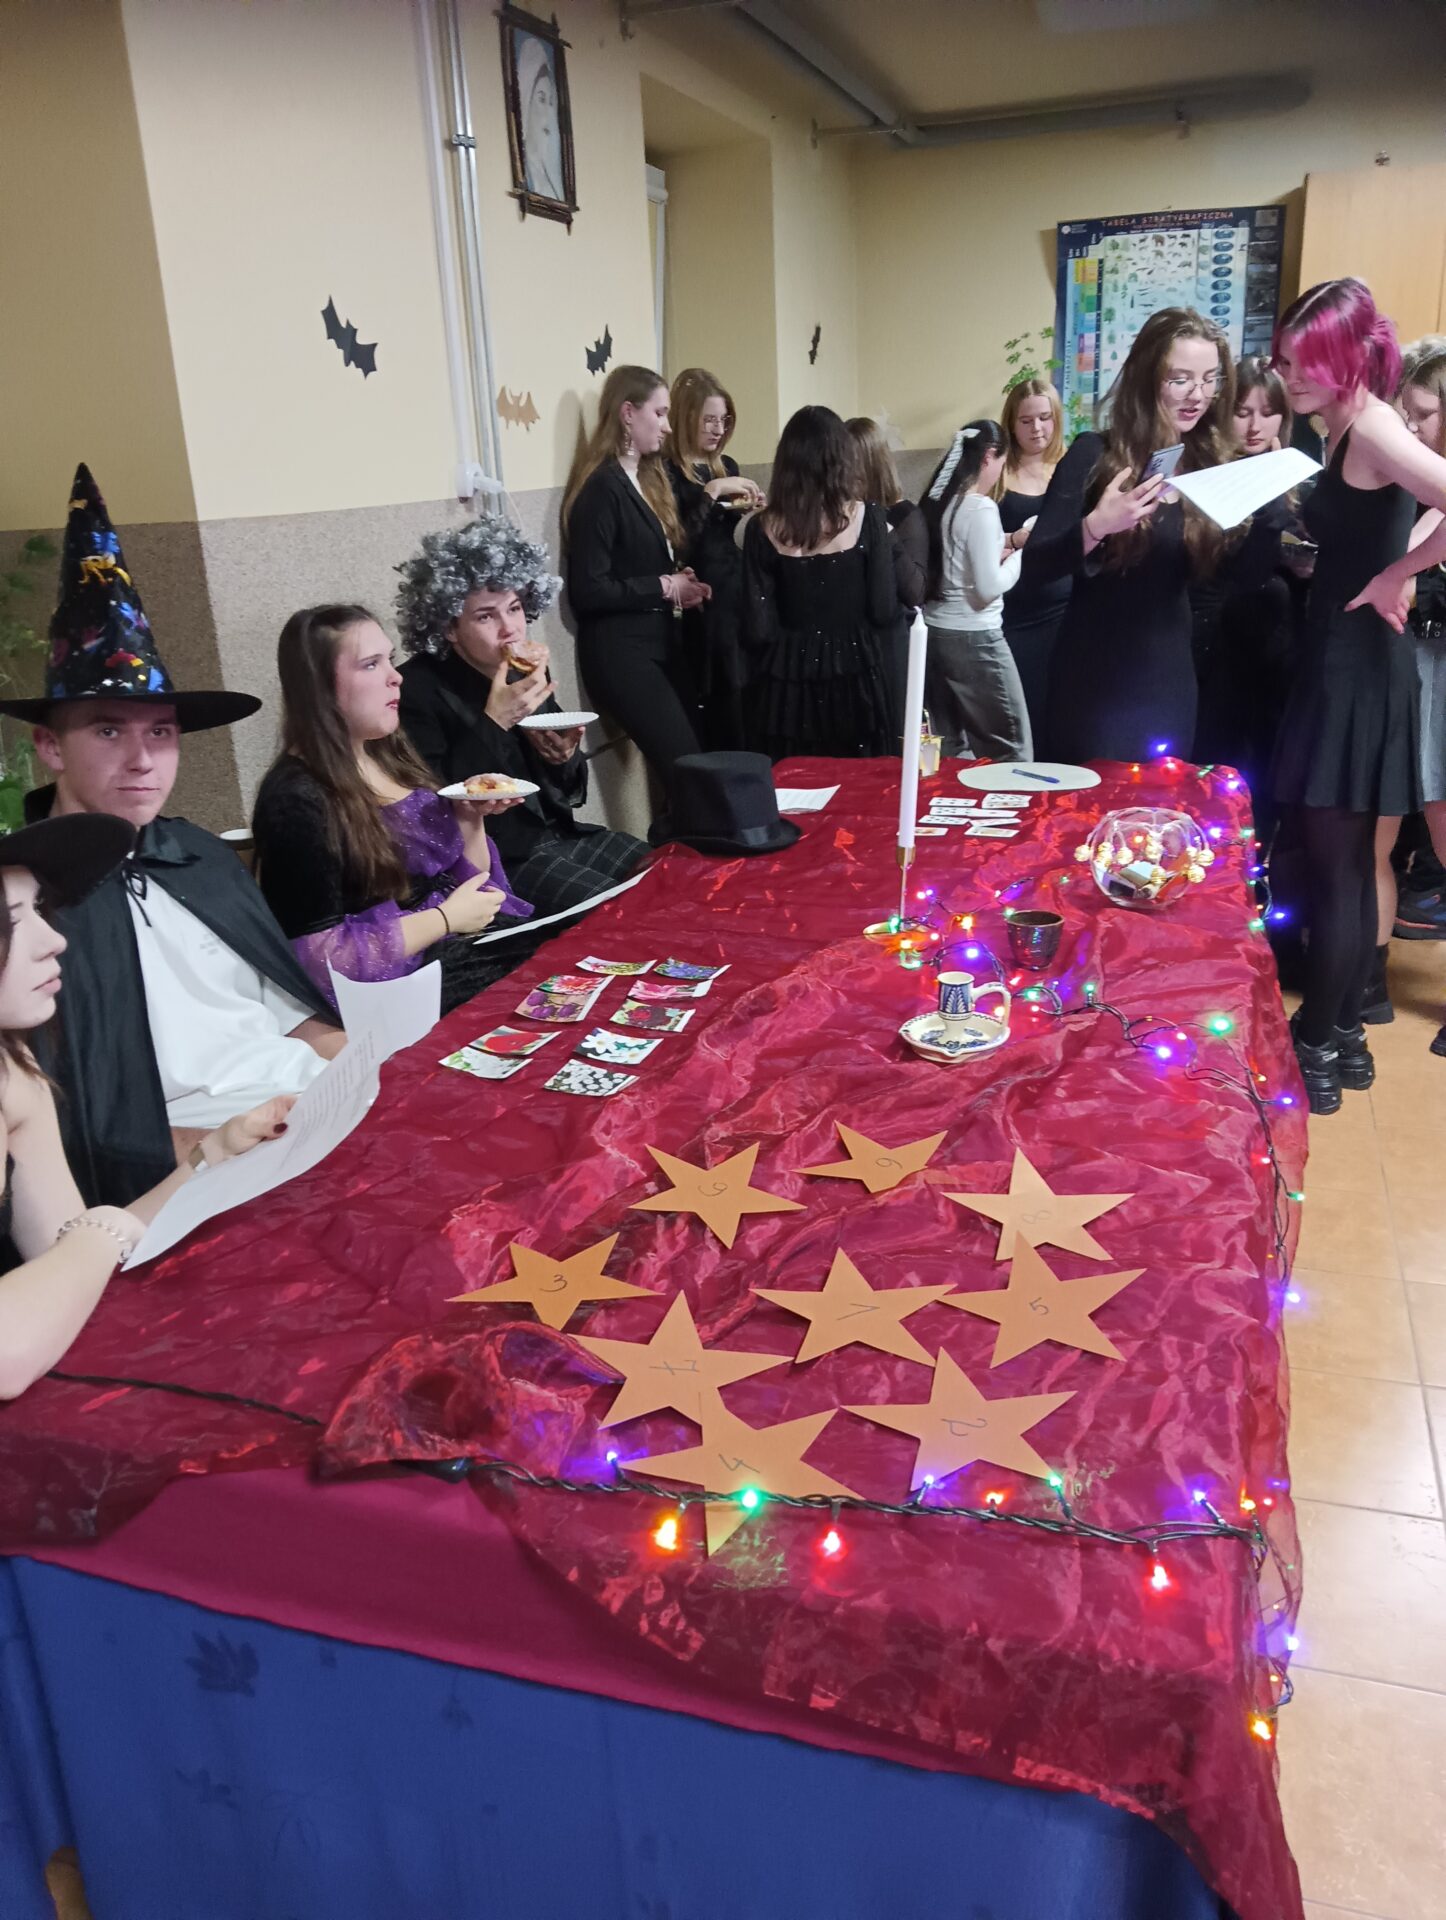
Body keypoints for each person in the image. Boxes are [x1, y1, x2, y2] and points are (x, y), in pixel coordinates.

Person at [0, 465, 343, 1209]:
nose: (143, 760)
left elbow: (300, 1022)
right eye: (108, 731)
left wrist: (373, 1073)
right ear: (49, 746)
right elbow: (72, 1130)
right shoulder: (27, 905)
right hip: (195, 1172)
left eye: (161, 733)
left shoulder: (202, 856)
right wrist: (209, 1155)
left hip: (310, 1112)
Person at [0, 814, 295, 1399]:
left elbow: (65, 1252)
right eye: (11, 922)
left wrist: (209, 1159)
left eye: (39, 909)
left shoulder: (16, 1071)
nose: (54, 940)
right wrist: (106, 1228)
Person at [1270, 278, 1446, 1112]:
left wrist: (1395, 572)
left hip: (1353, 667)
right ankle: (1341, 1035)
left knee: (1338, 870)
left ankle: (1316, 1041)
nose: (1287, 377)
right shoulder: (1350, 425)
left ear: (1344, 357)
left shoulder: (1372, 424)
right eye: (1283, 361)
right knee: (1342, 867)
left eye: (1301, 363)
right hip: (1352, 660)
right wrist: (1387, 566)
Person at [1021, 307, 1283, 763]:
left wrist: (1269, 513)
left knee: (1163, 803)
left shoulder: (1208, 464)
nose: (1197, 395)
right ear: (1147, 377)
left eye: (1210, 379)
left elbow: (1243, 578)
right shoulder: (1096, 454)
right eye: (1180, 379)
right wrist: (1097, 526)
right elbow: (1035, 568)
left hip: (1169, 680)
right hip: (1095, 681)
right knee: (1092, 804)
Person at [253, 606, 536, 1018]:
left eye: (390, 658)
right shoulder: (295, 801)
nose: (396, 676)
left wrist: (469, 817)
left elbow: (471, 881)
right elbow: (321, 958)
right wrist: (443, 919)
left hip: (462, 948)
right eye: (371, 664)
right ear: (319, 687)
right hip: (399, 987)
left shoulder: (388, 752)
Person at [395, 516, 647, 916]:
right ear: (449, 628)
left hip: (561, 834)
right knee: (621, 911)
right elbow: (433, 804)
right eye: (485, 616)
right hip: (501, 858)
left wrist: (563, 758)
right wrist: (493, 722)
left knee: (670, 870)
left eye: (514, 608)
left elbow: (567, 790)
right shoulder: (414, 690)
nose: (509, 629)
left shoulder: (524, 667)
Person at [564, 364, 709, 796]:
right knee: (686, 767)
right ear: (628, 413)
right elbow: (588, 589)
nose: (667, 426)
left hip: (657, 640)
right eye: (660, 413)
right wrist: (665, 586)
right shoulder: (602, 488)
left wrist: (680, 583)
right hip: (621, 651)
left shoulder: (646, 478)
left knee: (698, 759)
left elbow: (641, 564)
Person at [740, 405, 898, 762]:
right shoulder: (868, 517)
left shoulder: (761, 528)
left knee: (794, 784)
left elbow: (756, 630)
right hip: (855, 674)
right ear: (842, 458)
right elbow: (883, 609)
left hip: (787, 683)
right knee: (862, 785)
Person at [1367, 339, 1446, 1022]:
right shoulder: (1415, 484)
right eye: (1407, 415)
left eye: (1423, 415)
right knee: (1390, 829)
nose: (1412, 428)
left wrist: (1406, 572)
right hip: (1412, 667)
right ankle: (1367, 983)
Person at [1190, 356, 1299, 779]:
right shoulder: (1208, 473)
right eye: (1243, 412)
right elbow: (1237, 573)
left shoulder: (1287, 469)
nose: (1256, 426)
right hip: (1217, 647)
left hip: (1271, 647)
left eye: (1268, 413)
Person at [919, 421, 1031, 759]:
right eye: (1001, 463)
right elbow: (988, 588)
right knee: (1010, 747)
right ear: (988, 456)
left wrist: (1009, 543)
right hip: (975, 637)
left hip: (936, 632)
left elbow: (958, 553)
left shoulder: (938, 504)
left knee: (951, 748)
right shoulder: (981, 507)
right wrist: (1024, 555)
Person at [665, 369, 762, 749]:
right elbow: (681, 544)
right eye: (709, 419)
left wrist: (749, 510)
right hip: (701, 595)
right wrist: (711, 491)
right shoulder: (669, 472)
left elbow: (728, 533)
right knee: (721, 696)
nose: (718, 429)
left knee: (748, 692)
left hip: (737, 586)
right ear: (686, 417)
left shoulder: (727, 465)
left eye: (724, 420)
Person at [993, 379, 1070, 749]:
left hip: (1067, 611)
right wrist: (1013, 539)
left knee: (1064, 714)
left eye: (1044, 418)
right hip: (1016, 613)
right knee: (1023, 720)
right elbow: (971, 540)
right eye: (1026, 421)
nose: (1037, 428)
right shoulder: (997, 473)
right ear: (1011, 423)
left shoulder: (1071, 468)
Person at [846, 414, 926, 731]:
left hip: (890, 646)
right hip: (852, 644)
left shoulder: (904, 514)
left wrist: (883, 530)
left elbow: (915, 591)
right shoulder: (840, 518)